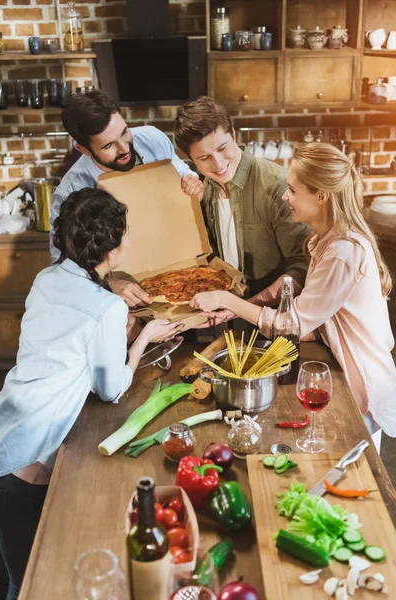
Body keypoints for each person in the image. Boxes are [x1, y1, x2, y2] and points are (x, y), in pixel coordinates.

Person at [0, 188, 183, 600]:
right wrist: (144, 337)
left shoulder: (47, 278)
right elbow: (112, 388)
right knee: (28, 584)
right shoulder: (107, 307)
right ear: (111, 248)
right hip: (26, 466)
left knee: (15, 575)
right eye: (126, 232)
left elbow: (68, 344)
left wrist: (118, 332)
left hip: (4, 429)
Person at [190, 143, 396, 449]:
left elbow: (292, 324)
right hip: (343, 370)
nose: (286, 197)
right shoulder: (325, 240)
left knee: (351, 480)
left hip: (362, 382)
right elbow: (318, 314)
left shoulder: (342, 252)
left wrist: (227, 300)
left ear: (321, 196)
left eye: (294, 190)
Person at [50, 90, 204, 307]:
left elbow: (184, 174)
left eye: (124, 132)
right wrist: (109, 284)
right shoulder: (70, 192)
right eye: (108, 145)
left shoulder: (153, 139)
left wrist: (193, 182)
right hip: (118, 302)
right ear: (84, 149)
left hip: (184, 277)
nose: (124, 148)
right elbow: (62, 269)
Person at [174, 96, 311, 324]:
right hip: (226, 319)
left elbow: (303, 268)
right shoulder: (206, 187)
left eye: (222, 148)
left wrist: (241, 307)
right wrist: (194, 209)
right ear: (191, 160)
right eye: (204, 158)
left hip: (275, 321)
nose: (218, 164)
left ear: (234, 135)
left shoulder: (277, 185)